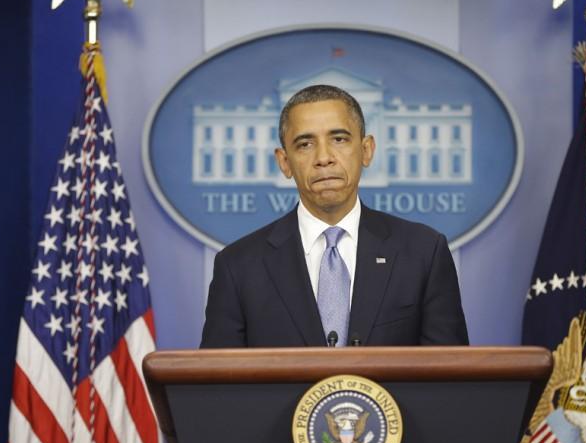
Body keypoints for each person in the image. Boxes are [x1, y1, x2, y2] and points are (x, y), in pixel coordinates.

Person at [200, 85, 469, 347]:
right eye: (305, 144)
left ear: (366, 150)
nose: (324, 157)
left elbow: (449, 381)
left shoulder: (423, 252)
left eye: (339, 139)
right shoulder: (238, 266)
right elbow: (218, 386)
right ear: (284, 162)